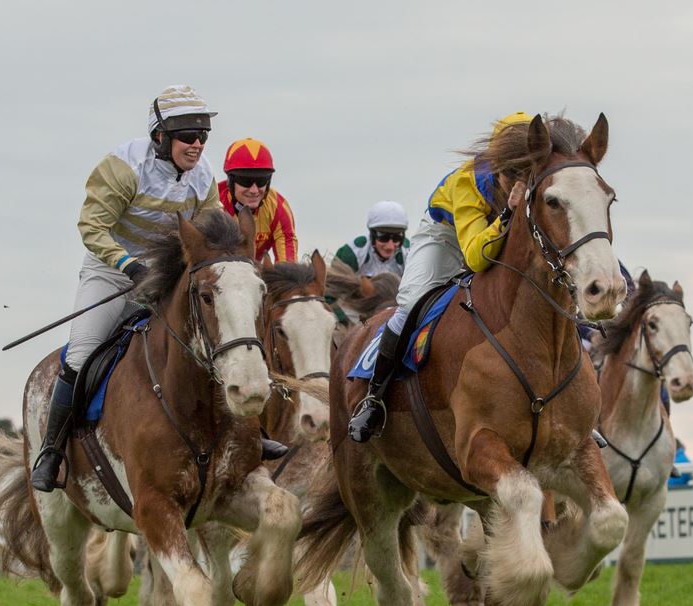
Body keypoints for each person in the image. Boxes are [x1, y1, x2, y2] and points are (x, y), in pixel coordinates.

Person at [30, 85, 284, 493]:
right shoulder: (122, 167)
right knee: (80, 353)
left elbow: (211, 231)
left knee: (215, 341)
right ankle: (52, 451)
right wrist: (129, 265)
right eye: (188, 136)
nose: (198, 145)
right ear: (160, 137)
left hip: (167, 274)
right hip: (112, 272)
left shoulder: (202, 176)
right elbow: (91, 227)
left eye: (203, 137)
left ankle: (245, 432)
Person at [348, 112, 533, 441]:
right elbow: (475, 256)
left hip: (496, 237)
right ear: (496, 165)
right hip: (445, 239)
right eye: (512, 174)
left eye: (528, 173)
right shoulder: (468, 181)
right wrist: (507, 213)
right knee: (409, 307)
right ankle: (373, 397)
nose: (520, 183)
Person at [218, 138, 298, 262]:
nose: (254, 190)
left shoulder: (279, 207)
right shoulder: (213, 202)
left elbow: (288, 265)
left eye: (261, 180)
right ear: (230, 181)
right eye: (246, 181)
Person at [335, 201, 410, 277]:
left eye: (397, 238)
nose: (390, 247)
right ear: (372, 235)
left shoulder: (410, 254)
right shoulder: (352, 253)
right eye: (383, 238)